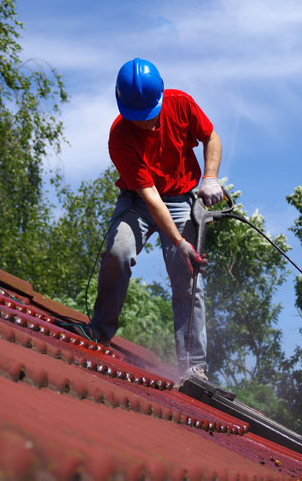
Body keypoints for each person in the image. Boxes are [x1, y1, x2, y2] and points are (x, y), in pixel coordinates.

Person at [90, 58, 222, 380]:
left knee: (188, 275)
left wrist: (210, 178)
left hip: (180, 198)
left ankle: (193, 364)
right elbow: (150, 197)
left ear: (161, 99)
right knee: (118, 252)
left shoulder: (180, 104)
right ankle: (100, 332)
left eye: (150, 117)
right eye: (138, 119)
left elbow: (211, 138)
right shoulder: (119, 137)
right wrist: (178, 242)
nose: (146, 124)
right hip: (139, 201)